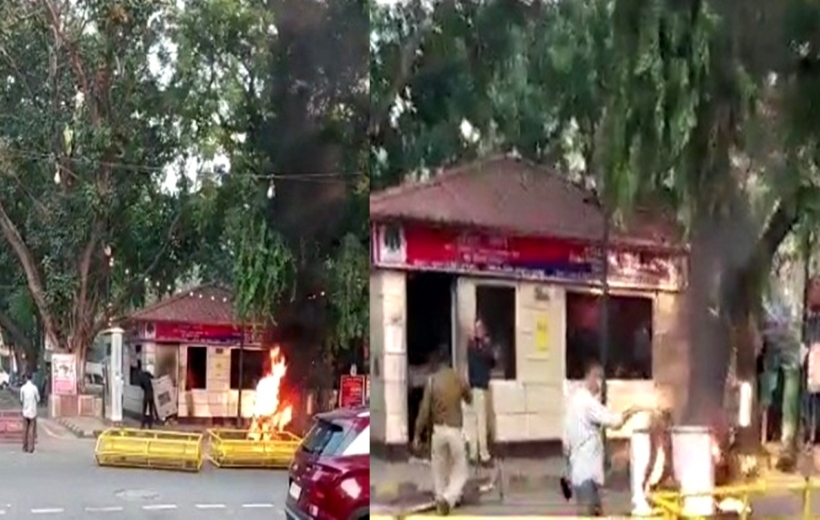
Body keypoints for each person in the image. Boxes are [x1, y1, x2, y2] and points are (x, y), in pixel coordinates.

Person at [562, 360, 644, 516]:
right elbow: (614, 421)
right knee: (589, 514)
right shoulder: (588, 403)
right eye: (599, 380)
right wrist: (633, 410)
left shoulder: (573, 401)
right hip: (588, 474)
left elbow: (566, 444)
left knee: (593, 513)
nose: (600, 387)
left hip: (579, 473)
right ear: (592, 377)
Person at [412, 347, 472, 516]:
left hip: (438, 430)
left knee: (438, 468)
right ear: (449, 362)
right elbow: (469, 398)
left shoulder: (432, 381)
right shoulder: (457, 378)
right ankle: (449, 497)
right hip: (454, 430)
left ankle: (440, 498)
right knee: (461, 467)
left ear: (437, 364)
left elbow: (424, 410)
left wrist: (417, 435)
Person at [466, 318, 495, 466]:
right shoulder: (479, 348)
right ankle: (483, 455)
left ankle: (473, 454)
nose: (481, 331)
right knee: (481, 422)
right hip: (479, 387)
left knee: (473, 422)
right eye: (480, 329)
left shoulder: (471, 347)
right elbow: (491, 361)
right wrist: (487, 345)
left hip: (472, 387)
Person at [19, 373, 40, 453]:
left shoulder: (23, 388)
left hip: (25, 411)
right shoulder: (34, 388)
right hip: (33, 411)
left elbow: (21, 400)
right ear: (32, 378)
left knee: (25, 429)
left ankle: (24, 447)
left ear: (25, 378)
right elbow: (38, 399)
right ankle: (31, 448)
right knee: (31, 430)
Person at [137, 361, 157, 429]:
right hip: (151, 395)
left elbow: (142, 386)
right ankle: (150, 425)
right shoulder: (151, 377)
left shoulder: (142, 376)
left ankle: (142, 425)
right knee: (151, 410)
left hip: (146, 394)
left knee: (144, 409)